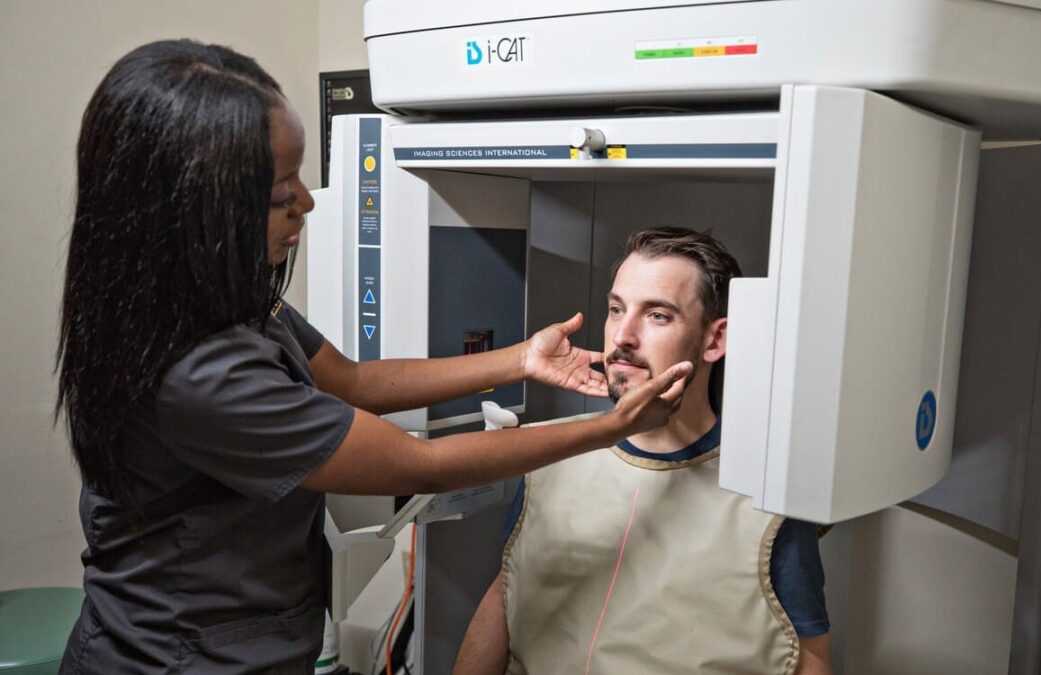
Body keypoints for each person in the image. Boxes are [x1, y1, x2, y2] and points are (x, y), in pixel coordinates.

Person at [54, 40, 693, 674]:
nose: (306, 203)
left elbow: (354, 381)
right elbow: (424, 465)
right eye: (281, 193)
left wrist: (520, 360)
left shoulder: (221, 298)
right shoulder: (199, 374)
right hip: (175, 659)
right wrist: (608, 427)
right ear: (197, 209)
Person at [453, 227, 832, 675]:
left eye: (658, 315)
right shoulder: (549, 456)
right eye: (616, 309)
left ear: (715, 340)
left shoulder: (766, 496)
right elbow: (507, 594)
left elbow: (809, 657)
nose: (623, 336)